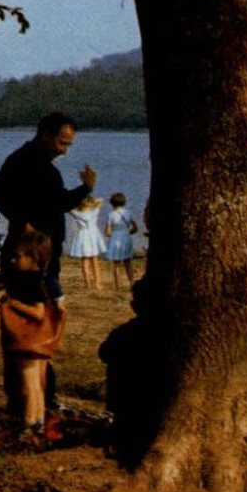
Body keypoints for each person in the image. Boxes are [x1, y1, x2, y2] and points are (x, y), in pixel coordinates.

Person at [0, 111, 97, 299]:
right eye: (62, 143)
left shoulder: (30, 161)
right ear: (46, 135)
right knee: (35, 309)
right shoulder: (30, 162)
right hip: (31, 253)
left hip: (37, 250)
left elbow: (55, 203)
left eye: (68, 145)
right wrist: (86, 188)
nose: (64, 151)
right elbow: (60, 203)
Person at [0, 228, 65, 439]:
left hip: (27, 341)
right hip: (39, 342)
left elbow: (37, 312)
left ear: (33, 258)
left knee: (28, 386)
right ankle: (38, 421)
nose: (13, 260)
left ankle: (28, 424)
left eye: (18, 256)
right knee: (37, 386)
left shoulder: (26, 281)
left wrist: (13, 303)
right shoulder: (43, 280)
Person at [98, 277, 171, 466]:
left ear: (134, 305)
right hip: (151, 402)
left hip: (124, 402)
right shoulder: (168, 336)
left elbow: (104, 353)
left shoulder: (124, 333)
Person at [66, 193, 106, 290]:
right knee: (94, 262)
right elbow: (101, 201)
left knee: (84, 262)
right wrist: (94, 202)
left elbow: (67, 209)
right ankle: (97, 284)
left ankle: (87, 284)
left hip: (82, 237)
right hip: (93, 237)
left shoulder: (77, 213)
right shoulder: (94, 212)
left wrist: (77, 204)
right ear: (90, 203)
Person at [102, 192, 139, 291]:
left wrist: (113, 234)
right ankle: (131, 283)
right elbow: (135, 228)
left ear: (112, 203)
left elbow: (107, 231)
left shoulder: (110, 215)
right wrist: (128, 232)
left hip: (115, 240)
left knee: (116, 264)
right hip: (126, 238)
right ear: (124, 202)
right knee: (128, 263)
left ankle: (117, 286)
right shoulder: (129, 213)